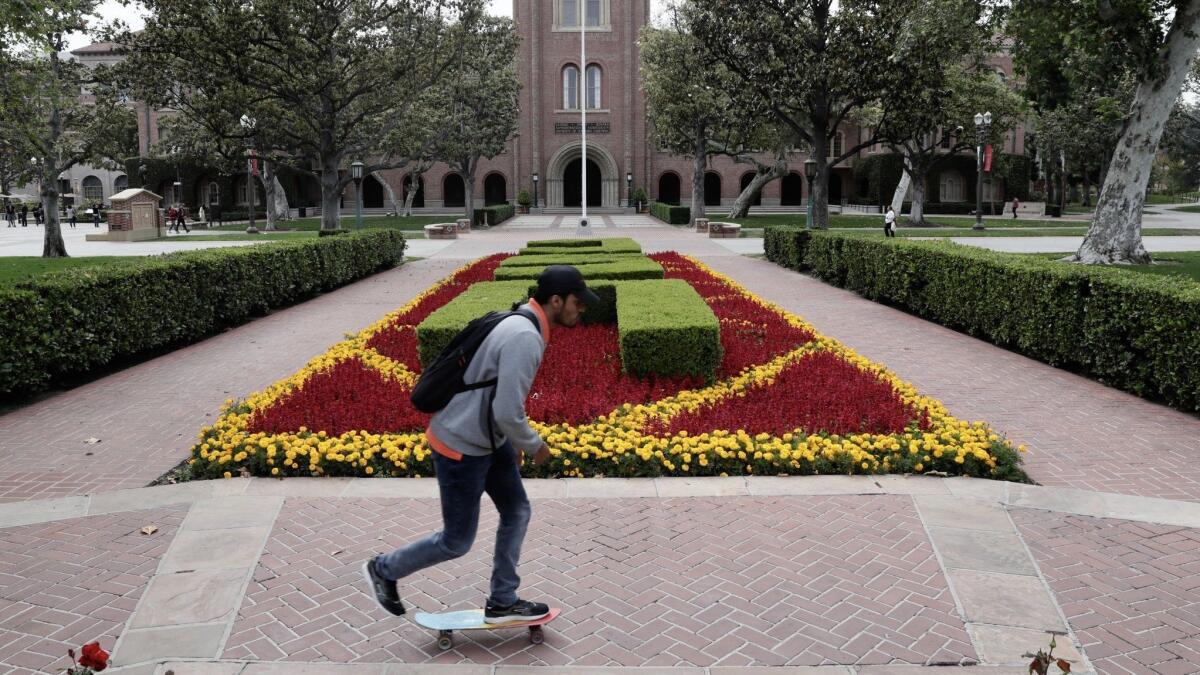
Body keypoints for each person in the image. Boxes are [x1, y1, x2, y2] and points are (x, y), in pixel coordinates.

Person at [362, 265, 601, 624]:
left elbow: (496, 399)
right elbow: (506, 409)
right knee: (455, 541)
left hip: (489, 440)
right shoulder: (525, 336)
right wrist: (535, 445)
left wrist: (511, 440)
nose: (580, 310)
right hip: (462, 446)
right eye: (577, 303)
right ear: (556, 300)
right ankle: (384, 569)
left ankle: (503, 600)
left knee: (517, 510)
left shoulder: (520, 320)